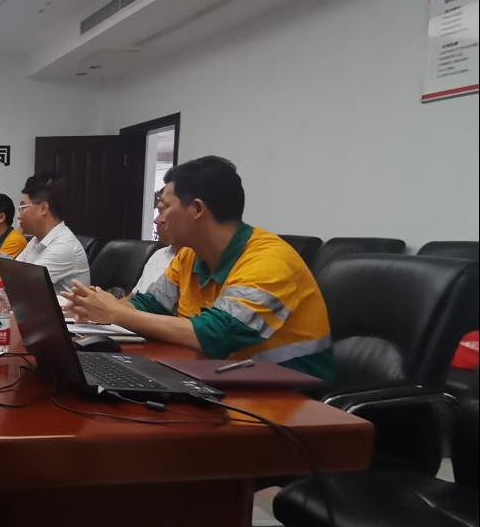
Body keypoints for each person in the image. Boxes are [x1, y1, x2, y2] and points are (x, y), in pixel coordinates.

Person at [66, 156, 334, 381]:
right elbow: (150, 305)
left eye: (164, 208)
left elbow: (215, 335)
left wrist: (117, 313)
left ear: (196, 209)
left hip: (290, 399)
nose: (158, 220)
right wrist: (98, 308)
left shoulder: (270, 261)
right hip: (217, 378)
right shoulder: (189, 256)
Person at [13, 175, 90, 293]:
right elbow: (11, 271)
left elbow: (18, 281)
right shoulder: (36, 239)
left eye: (22, 207)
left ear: (43, 208)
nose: (19, 216)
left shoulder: (64, 246)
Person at [132, 190, 179, 295]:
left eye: (164, 212)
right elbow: (139, 300)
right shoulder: (159, 255)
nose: (157, 220)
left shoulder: (198, 262)